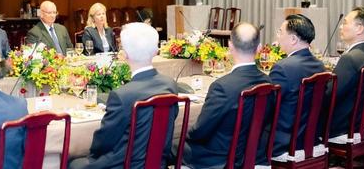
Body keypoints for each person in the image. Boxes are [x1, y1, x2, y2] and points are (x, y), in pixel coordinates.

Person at [69, 22, 178, 169]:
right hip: (158, 162)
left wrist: (92, 157)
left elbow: (103, 142)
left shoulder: (122, 95)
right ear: (155, 51)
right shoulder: (170, 84)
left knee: (74, 163)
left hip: (125, 164)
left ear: (124, 54)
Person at [183, 23, 271, 168]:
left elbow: (200, 131)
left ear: (230, 46)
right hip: (254, 154)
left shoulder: (222, 86)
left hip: (221, 158)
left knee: (171, 145)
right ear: (259, 48)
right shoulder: (269, 82)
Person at [270, 14, 325, 158]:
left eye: (280, 32)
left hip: (283, 143)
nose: (277, 36)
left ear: (293, 39)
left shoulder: (282, 68)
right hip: (311, 138)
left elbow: (269, 108)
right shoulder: (320, 66)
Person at [329, 6, 364, 138]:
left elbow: (330, 94)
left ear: (359, 29)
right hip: (360, 123)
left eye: (345, 23)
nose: (341, 27)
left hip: (341, 126)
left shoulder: (350, 58)